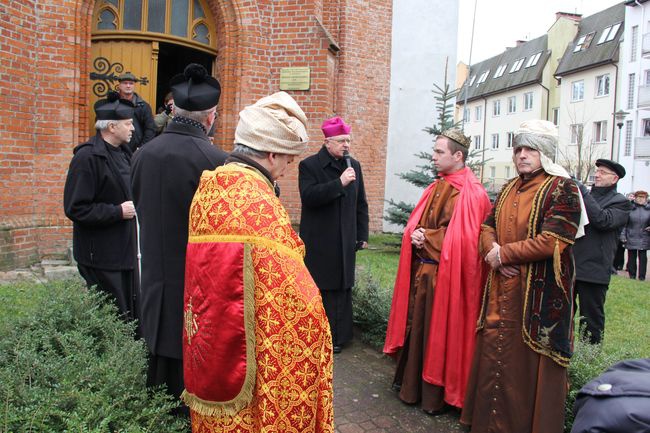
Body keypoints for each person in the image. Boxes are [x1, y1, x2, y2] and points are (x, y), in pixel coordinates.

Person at [181, 91, 333, 432]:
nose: (287, 168)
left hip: (208, 344)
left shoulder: (210, 186)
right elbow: (294, 292)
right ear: (272, 152)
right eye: (288, 160)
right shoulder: (257, 202)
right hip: (244, 351)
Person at [460, 120, 585, 433]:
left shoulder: (563, 188)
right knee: (494, 352)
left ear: (546, 152)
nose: (522, 155)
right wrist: (494, 254)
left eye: (530, 149)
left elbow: (554, 240)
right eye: (518, 149)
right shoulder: (507, 188)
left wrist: (504, 254)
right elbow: (486, 226)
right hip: (501, 289)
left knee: (526, 366)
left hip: (539, 299)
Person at [131, 64, 227, 402]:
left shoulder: (143, 155)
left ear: (174, 109)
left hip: (153, 274)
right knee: (188, 377)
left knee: (157, 364)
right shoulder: (217, 161)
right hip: (194, 283)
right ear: (210, 117)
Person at [383, 128, 491, 414]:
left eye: (439, 152)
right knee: (419, 330)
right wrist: (415, 233)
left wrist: (425, 237)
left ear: (458, 156)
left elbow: (467, 243)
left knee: (440, 335)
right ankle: (412, 387)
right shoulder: (436, 187)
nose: (433, 156)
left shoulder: (472, 194)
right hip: (425, 275)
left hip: (447, 282)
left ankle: (435, 397)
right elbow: (421, 224)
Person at [63, 93, 138, 321]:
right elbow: (76, 208)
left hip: (125, 251)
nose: (133, 128)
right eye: (128, 124)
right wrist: (117, 211)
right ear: (112, 127)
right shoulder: (86, 158)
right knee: (112, 317)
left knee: (128, 314)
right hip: (101, 256)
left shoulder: (125, 153)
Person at [298, 116, 369, 354]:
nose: (346, 145)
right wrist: (339, 183)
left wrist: (362, 233)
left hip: (346, 239)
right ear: (327, 142)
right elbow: (309, 197)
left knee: (343, 288)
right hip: (321, 240)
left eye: (348, 140)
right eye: (341, 141)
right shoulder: (309, 166)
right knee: (323, 287)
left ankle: (340, 336)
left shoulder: (354, 166)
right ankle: (318, 336)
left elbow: (361, 203)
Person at [573, 159, 632, 344]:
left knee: (590, 321)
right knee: (562, 315)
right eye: (597, 171)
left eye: (602, 172)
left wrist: (582, 191)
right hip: (573, 265)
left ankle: (589, 359)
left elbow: (602, 220)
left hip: (594, 270)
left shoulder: (621, 203)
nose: (597, 175)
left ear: (614, 179)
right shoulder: (587, 195)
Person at [115, 72, 156, 151]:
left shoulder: (144, 106)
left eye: (131, 83)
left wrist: (142, 147)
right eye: (125, 83)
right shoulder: (112, 104)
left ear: (134, 86)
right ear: (119, 85)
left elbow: (150, 129)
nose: (128, 86)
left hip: (136, 149)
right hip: (116, 148)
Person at [622, 190, 650, 281]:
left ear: (646, 199)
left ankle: (642, 277)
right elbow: (624, 224)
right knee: (631, 257)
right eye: (639, 197)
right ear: (635, 198)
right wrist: (623, 236)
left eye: (643, 197)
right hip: (631, 235)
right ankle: (632, 276)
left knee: (643, 258)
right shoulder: (630, 208)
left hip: (645, 236)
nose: (640, 199)